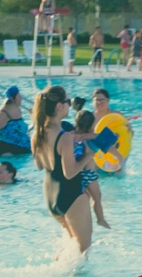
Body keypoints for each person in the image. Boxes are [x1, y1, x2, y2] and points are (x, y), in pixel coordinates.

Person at [32, 85, 95, 253]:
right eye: (67, 101)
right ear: (59, 106)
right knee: (83, 253)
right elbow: (70, 173)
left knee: (70, 250)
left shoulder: (37, 134)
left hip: (51, 196)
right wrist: (88, 155)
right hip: (71, 194)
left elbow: (39, 165)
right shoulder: (64, 137)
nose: (69, 105)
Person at [74, 109, 111, 229]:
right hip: (89, 173)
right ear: (91, 124)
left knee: (87, 198)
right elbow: (108, 139)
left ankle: (86, 219)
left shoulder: (74, 137)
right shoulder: (91, 138)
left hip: (78, 173)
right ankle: (100, 219)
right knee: (97, 197)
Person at [0, 85, 32, 155]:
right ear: (12, 98)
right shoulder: (4, 113)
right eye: (19, 96)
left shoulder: (17, 108)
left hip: (23, 148)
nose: (21, 99)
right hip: (10, 149)